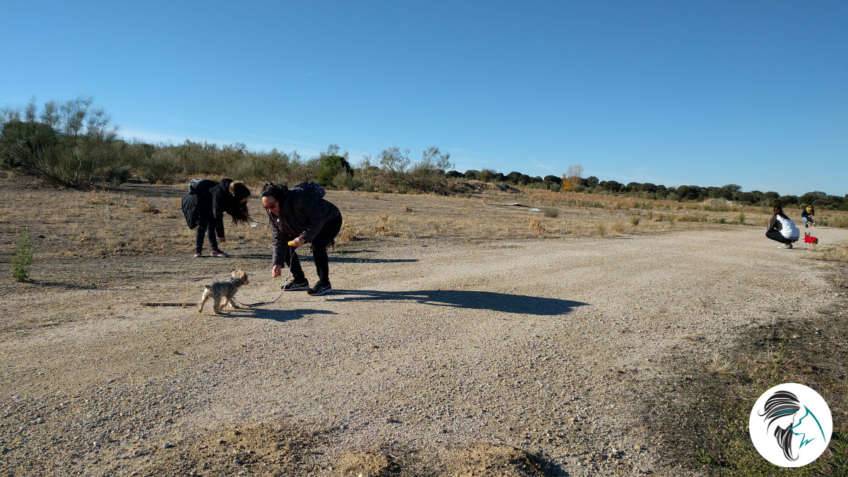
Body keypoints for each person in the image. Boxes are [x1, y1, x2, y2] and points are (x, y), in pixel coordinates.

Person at [260, 183, 342, 296]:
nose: (269, 210)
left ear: (280, 200)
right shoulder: (273, 212)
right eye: (266, 208)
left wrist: (304, 237)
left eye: (272, 206)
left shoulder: (299, 199)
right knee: (287, 245)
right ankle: (300, 281)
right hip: (305, 224)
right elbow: (278, 238)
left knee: (318, 245)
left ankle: (324, 283)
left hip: (330, 220)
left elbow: (317, 220)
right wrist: (277, 263)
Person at [186, 178, 251, 257]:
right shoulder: (219, 194)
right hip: (201, 202)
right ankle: (198, 251)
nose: (245, 200)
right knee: (203, 226)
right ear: (238, 195)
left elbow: (231, 207)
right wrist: (221, 235)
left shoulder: (230, 191)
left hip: (210, 203)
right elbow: (218, 216)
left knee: (211, 226)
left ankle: (214, 250)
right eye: (244, 198)